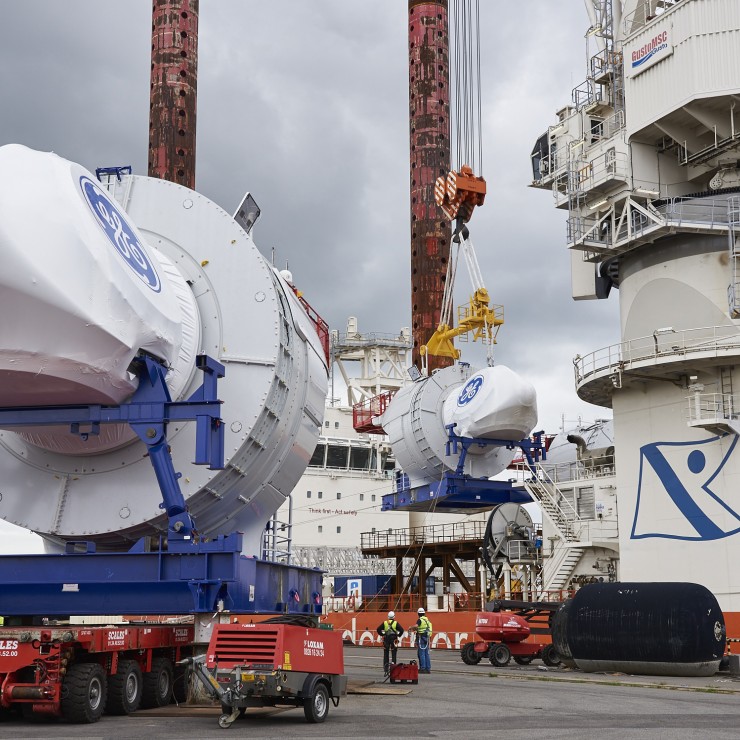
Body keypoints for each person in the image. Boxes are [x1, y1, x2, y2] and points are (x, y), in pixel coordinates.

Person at [377, 610, 404, 674]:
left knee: (386, 653)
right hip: (394, 639)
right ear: (394, 616)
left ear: (388, 617)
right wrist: (398, 635)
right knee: (394, 653)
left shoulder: (385, 623)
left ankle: (386, 668)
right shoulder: (396, 623)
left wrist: (382, 634)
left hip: (386, 638)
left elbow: (378, 629)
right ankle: (393, 667)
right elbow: (401, 630)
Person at [411, 607, 433, 673]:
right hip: (427, 637)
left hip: (421, 637)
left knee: (421, 653)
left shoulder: (420, 620)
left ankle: (423, 668)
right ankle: (428, 668)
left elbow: (416, 626)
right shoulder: (427, 620)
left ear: (418, 613)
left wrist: (410, 627)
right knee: (426, 654)